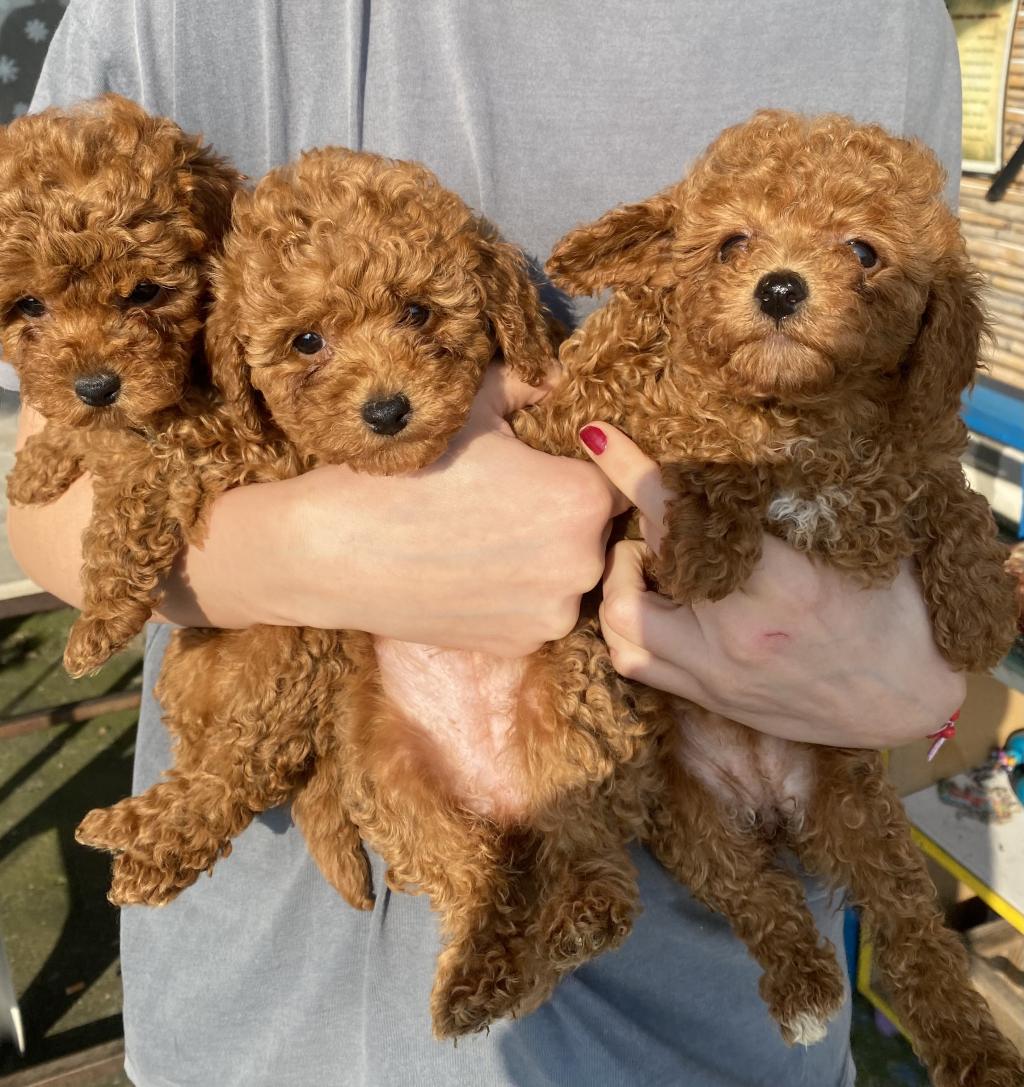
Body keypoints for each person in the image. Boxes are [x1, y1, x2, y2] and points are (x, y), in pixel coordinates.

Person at [5, 2, 966, 1084]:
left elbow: (920, 425)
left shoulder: (879, 25)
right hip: (270, 1014)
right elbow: (51, 490)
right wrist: (331, 552)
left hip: (697, 1019)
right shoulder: (189, 16)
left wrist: (931, 700)